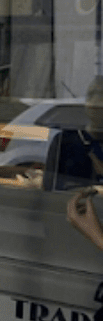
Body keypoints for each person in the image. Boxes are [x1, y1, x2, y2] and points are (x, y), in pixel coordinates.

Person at [64, 77, 103, 251]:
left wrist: (95, 235)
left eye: (101, 96)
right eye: (91, 96)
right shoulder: (70, 141)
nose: (95, 103)